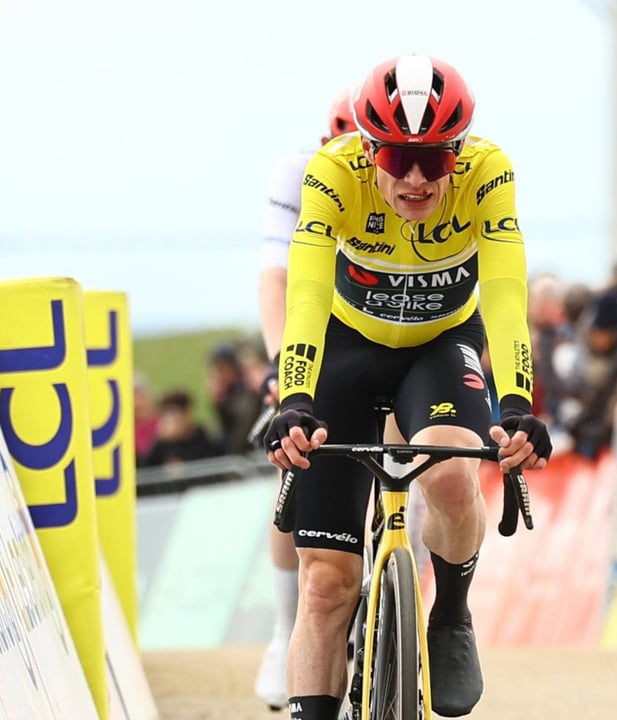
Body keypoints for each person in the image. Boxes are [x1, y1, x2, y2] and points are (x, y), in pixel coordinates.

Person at [263, 54, 551, 720]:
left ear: (460, 150)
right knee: (325, 586)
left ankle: (450, 614)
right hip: (345, 348)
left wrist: (517, 406)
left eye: (434, 159)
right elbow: (306, 292)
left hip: (439, 346)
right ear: (368, 149)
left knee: (450, 472)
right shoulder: (333, 171)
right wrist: (294, 399)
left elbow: (506, 294)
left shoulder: (489, 171)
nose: (417, 179)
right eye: (397, 158)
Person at [252, 86, 360, 711]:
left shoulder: (405, 179)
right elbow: (277, 278)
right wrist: (279, 368)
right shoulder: (299, 174)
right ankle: (283, 625)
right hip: (313, 330)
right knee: (295, 453)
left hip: (387, 335)